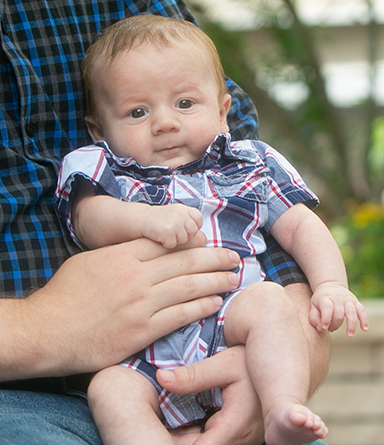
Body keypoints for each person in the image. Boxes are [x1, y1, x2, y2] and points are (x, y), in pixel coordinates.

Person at [0, 1, 330, 444]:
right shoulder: (103, 166)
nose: (165, 123)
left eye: (185, 103)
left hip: (230, 328)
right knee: (111, 390)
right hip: (137, 359)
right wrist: (144, 220)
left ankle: (281, 408)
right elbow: (88, 218)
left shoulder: (249, 162)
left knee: (270, 303)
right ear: (99, 131)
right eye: (138, 113)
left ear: (221, 111)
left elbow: (299, 227)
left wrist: (330, 287)